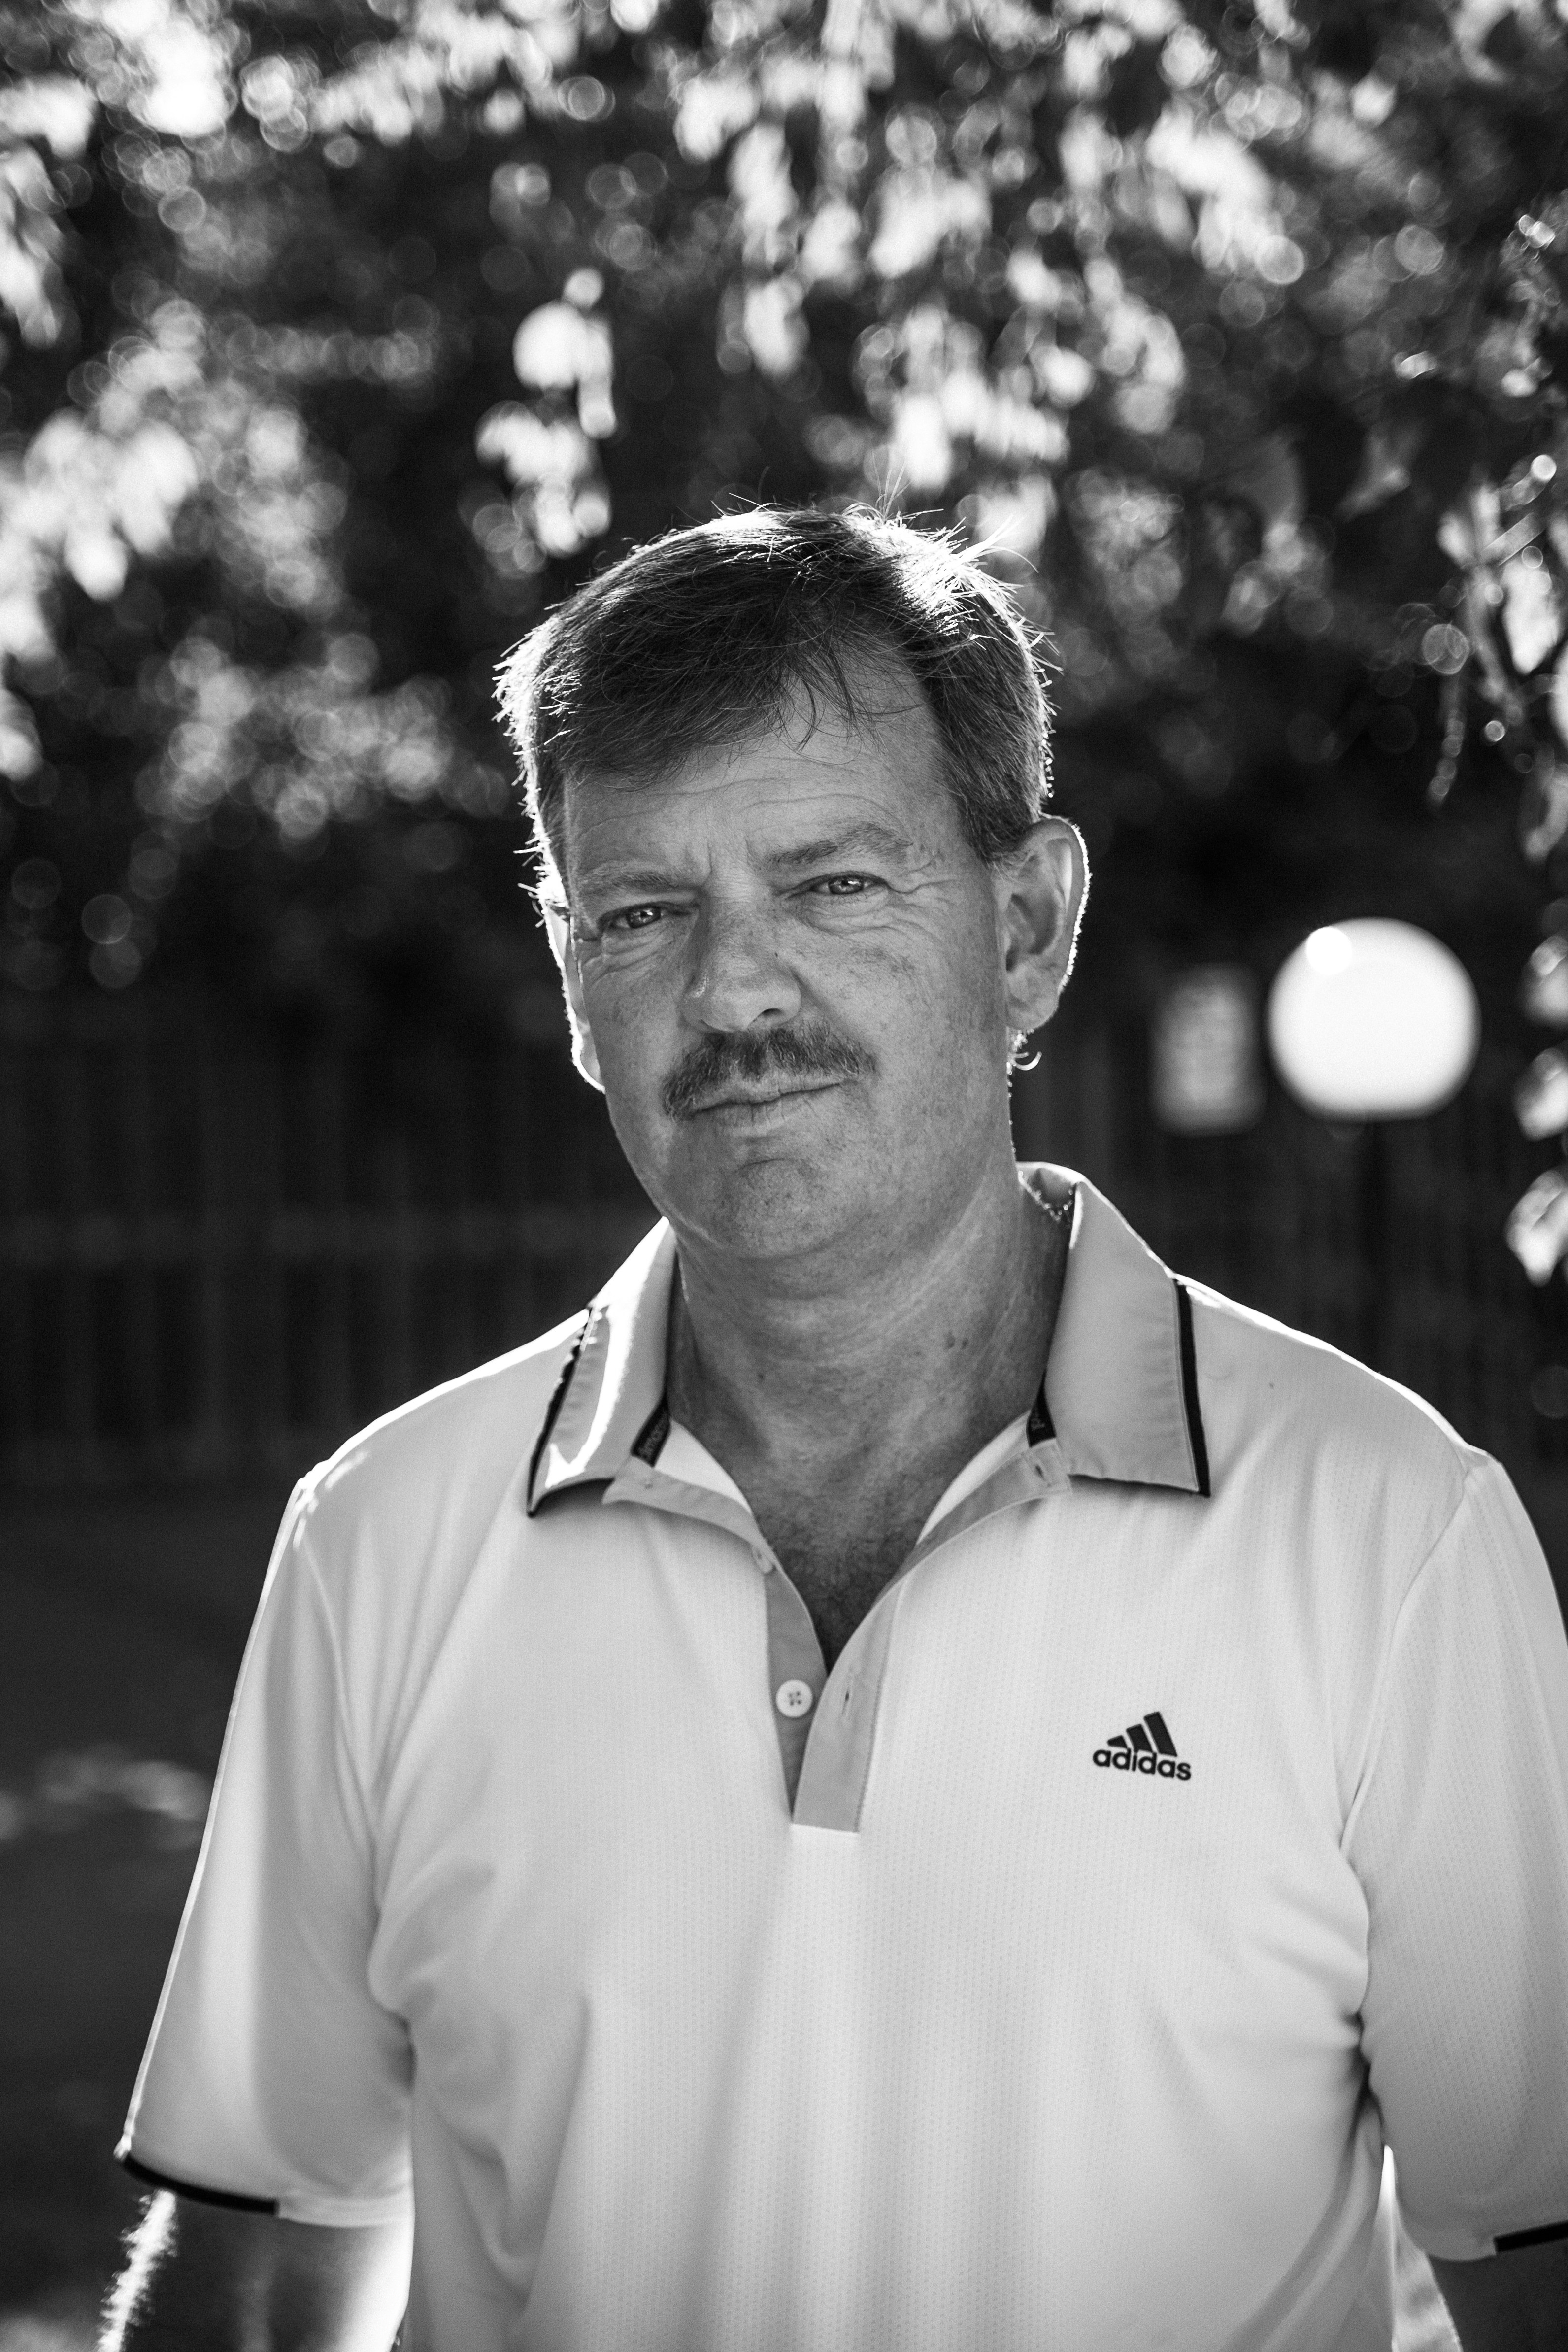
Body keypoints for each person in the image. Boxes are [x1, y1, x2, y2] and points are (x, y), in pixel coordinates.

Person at [104, 508, 1568, 2352]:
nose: (733, 993)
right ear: (574, 988)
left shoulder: (1389, 1539)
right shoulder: (382, 1539)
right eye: (643, 913)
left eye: (833, 884)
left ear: (1028, 927)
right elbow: (247, 2289)